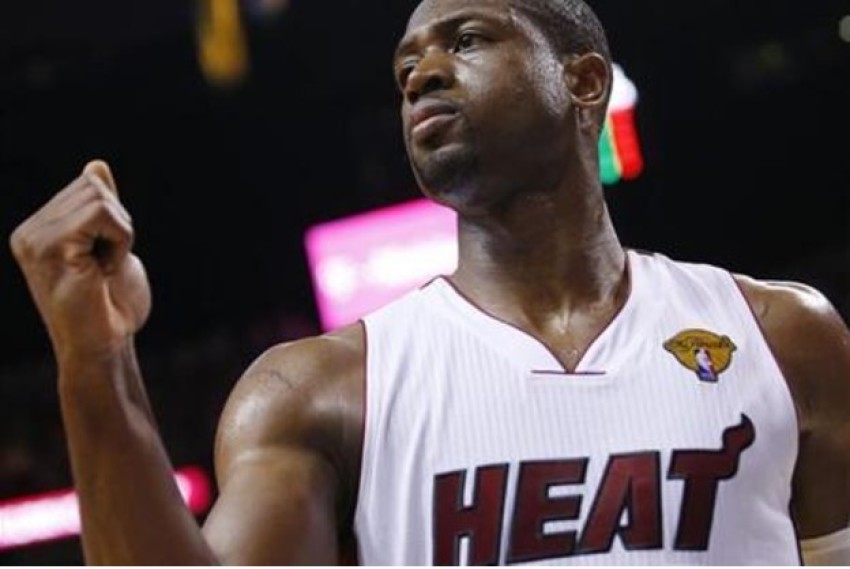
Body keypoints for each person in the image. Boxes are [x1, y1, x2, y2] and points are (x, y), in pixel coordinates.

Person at [9, 0, 850, 564]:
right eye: (406, 66)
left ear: (584, 81)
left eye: (467, 40)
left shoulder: (783, 336)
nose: (422, 73)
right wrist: (94, 361)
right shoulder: (319, 390)